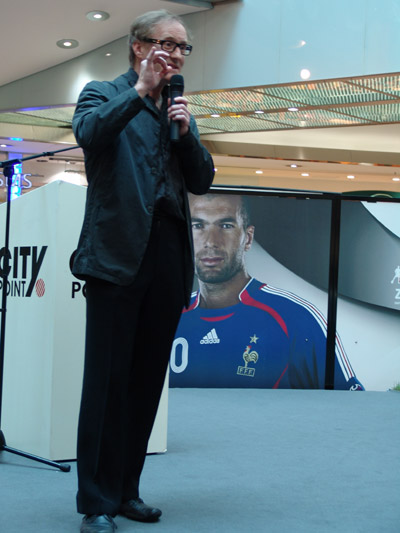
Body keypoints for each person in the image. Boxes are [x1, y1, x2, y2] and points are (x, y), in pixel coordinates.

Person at [71, 10, 214, 533]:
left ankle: (127, 490)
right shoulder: (102, 93)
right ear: (138, 46)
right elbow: (89, 134)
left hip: (167, 257)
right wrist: (138, 92)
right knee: (107, 383)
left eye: (182, 48)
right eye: (166, 44)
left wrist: (186, 134)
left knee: (146, 382)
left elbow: (202, 179)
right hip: (115, 257)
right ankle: (96, 501)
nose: (175, 55)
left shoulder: (177, 109)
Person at [169, 194, 364, 391]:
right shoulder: (166, 319)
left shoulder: (297, 318)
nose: (210, 241)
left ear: (248, 238)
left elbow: (350, 403)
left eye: (226, 226)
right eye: (197, 226)